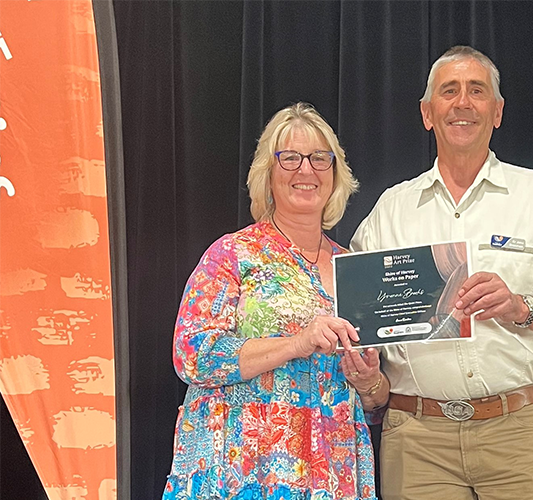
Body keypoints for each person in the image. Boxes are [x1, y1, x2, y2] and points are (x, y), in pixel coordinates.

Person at [351, 46, 533, 500]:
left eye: (476, 91)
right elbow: (360, 319)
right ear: (428, 114)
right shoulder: (389, 210)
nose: (462, 102)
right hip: (416, 442)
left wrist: (519, 306)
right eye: (449, 91)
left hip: (520, 436)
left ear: (497, 111)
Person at [163, 103, 383, 500]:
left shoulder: (355, 267)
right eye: (290, 158)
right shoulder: (233, 254)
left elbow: (375, 398)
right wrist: (296, 344)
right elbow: (190, 355)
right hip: (246, 465)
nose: (306, 170)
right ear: (267, 174)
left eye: (319, 158)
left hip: (331, 467)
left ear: (335, 175)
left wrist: (368, 382)